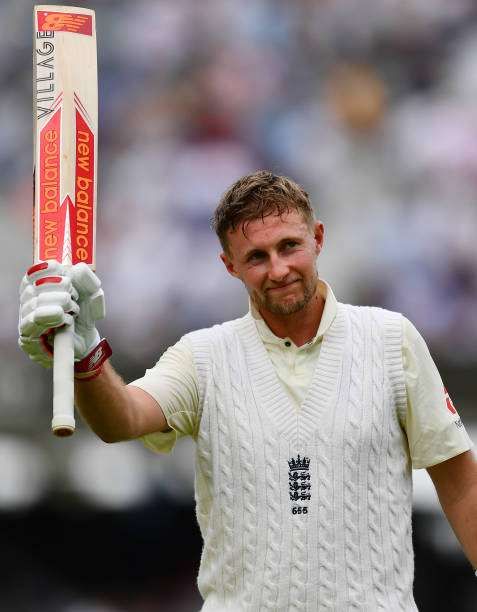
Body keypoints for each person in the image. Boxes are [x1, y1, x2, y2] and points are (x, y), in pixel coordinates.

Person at [19, 171, 476, 610]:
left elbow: (460, 483)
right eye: (257, 256)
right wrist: (85, 358)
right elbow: (123, 420)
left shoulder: (390, 340)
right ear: (229, 264)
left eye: (290, 246)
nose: (278, 269)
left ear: (317, 238)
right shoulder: (202, 356)